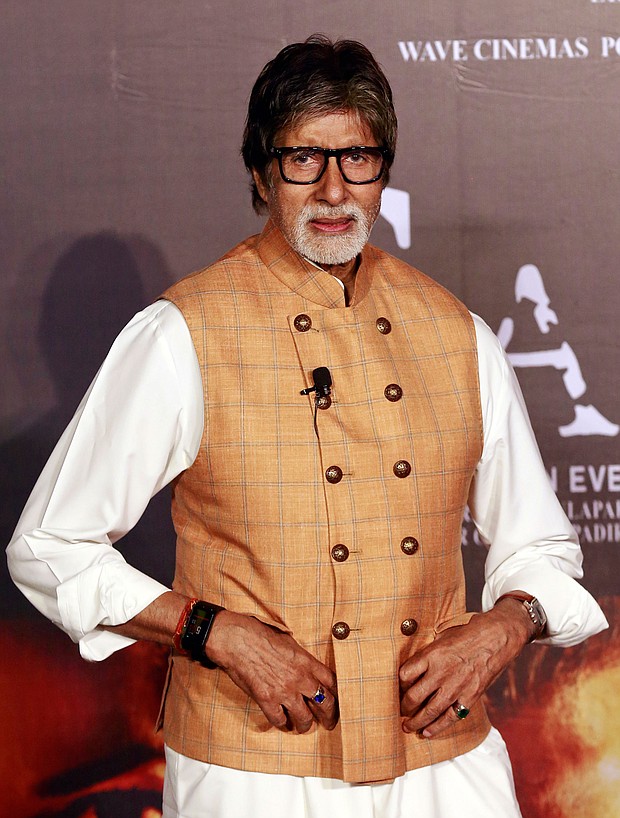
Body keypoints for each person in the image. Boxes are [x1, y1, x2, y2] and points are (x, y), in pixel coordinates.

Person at [7, 35, 607, 818]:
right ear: (261, 172)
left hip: (441, 765)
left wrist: (503, 625)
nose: (333, 191)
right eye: (303, 160)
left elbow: (541, 544)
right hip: (254, 766)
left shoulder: (457, 333)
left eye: (357, 158)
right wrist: (213, 630)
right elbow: (51, 547)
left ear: (384, 171)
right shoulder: (184, 332)